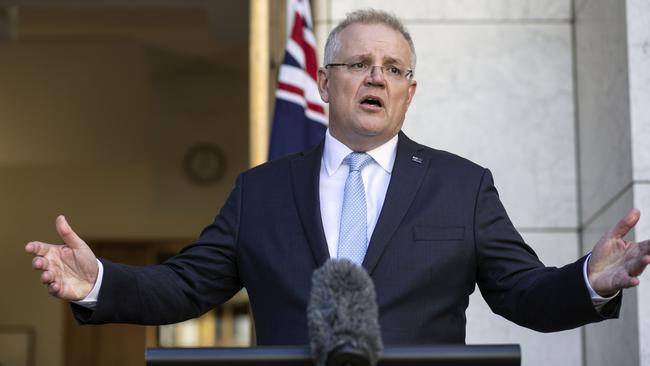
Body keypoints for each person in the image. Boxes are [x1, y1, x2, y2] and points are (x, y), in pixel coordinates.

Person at [26, 9, 649, 345]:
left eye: (393, 69)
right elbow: (186, 288)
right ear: (325, 82)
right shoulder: (260, 191)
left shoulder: (464, 187)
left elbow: (523, 294)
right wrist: (98, 283)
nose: (376, 77)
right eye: (359, 63)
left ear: (409, 92)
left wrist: (589, 280)